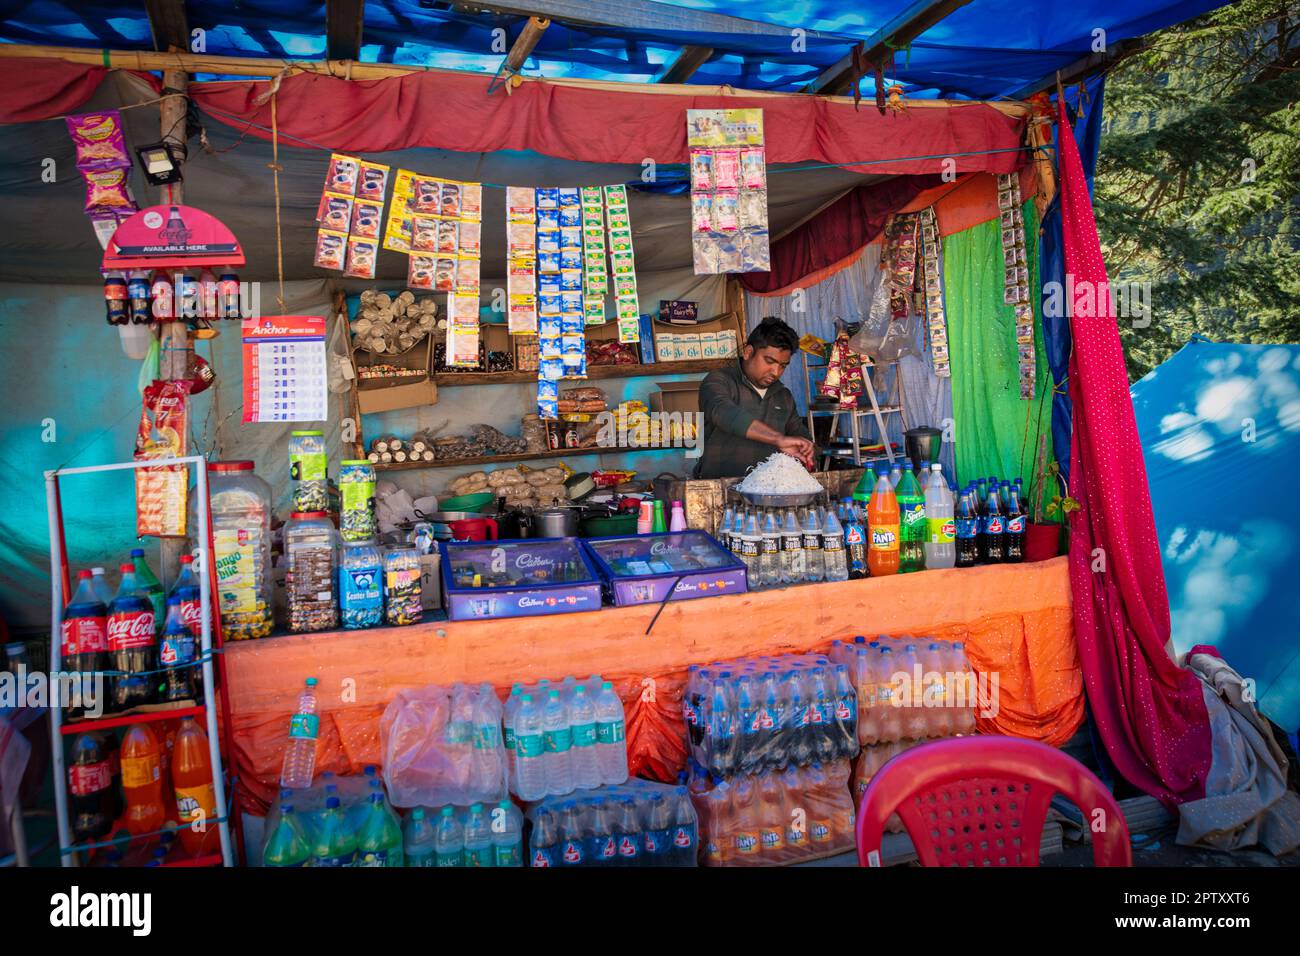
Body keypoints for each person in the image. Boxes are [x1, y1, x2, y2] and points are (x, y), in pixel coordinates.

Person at [695, 317, 815, 479]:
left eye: (783, 365)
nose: (776, 371)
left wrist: (806, 448)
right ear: (748, 352)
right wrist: (778, 439)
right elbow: (722, 412)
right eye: (769, 361)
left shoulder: (783, 396)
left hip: (770, 491)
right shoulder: (719, 381)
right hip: (718, 488)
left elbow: (798, 434)